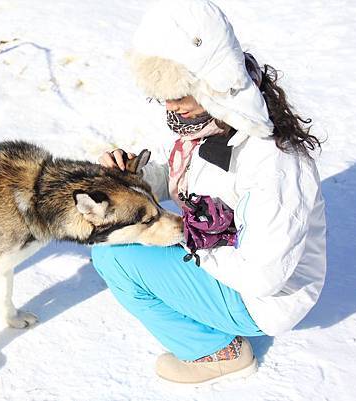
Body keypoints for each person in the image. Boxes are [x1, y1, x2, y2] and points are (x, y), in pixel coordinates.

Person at [92, 0, 326, 386]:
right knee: (120, 243)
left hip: (262, 299)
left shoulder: (275, 164)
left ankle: (216, 353)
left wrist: (185, 240)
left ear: (212, 83)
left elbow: (264, 276)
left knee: (115, 257)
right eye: (162, 95)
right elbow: (182, 176)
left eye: (179, 92)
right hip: (227, 262)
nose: (170, 106)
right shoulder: (215, 123)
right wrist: (130, 178)